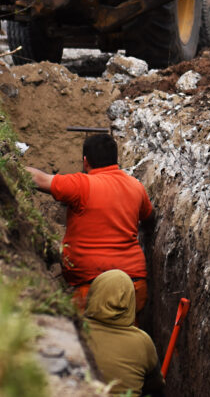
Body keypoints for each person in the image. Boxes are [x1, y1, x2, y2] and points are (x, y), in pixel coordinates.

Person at [27, 133, 154, 312]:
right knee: (128, 334)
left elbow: (39, 179)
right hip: (133, 284)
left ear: (86, 161)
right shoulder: (136, 186)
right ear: (115, 159)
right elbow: (149, 219)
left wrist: (9, 162)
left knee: (89, 337)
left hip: (91, 285)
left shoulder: (81, 185)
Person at [84, 269, 165, 397]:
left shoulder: (75, 330)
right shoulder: (143, 342)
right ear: (130, 302)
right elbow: (155, 387)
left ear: (94, 294)